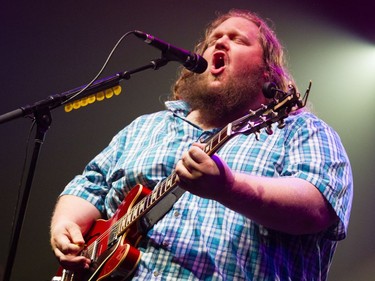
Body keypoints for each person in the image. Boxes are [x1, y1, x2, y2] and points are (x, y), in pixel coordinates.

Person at [50, 9, 353, 280]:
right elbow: (89, 185)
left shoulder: (300, 129)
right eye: (213, 40)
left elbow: (317, 209)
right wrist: (65, 226)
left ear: (267, 71)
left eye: (238, 40)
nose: (220, 43)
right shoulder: (145, 127)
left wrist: (228, 187)